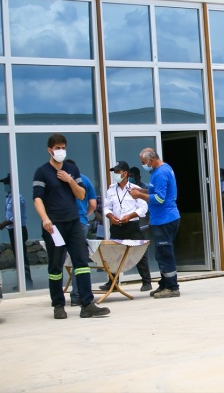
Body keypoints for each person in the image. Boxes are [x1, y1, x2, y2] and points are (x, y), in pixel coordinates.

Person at [33, 134, 110, 319]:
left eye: (63, 147)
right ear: (49, 150)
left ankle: (87, 304)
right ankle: (58, 305)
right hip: (54, 225)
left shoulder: (71, 169)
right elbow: (37, 199)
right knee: (55, 266)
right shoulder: (41, 172)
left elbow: (82, 195)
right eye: (57, 148)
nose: (60, 151)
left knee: (81, 263)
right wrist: (45, 219)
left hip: (74, 222)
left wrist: (69, 180)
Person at [130, 148, 181, 299]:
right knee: (161, 254)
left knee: (165, 254)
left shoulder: (161, 173)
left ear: (151, 160)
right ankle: (165, 283)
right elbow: (154, 193)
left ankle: (172, 286)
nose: (143, 165)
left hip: (165, 219)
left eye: (143, 162)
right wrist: (142, 191)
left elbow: (159, 198)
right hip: (161, 219)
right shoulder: (161, 170)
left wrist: (139, 195)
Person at [103, 161, 153, 291]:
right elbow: (107, 207)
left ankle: (146, 282)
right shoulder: (111, 189)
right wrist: (110, 216)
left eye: (118, 172)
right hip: (116, 225)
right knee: (113, 254)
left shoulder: (135, 189)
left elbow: (143, 208)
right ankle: (113, 282)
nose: (115, 174)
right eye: (114, 172)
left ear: (125, 173)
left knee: (139, 252)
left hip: (131, 225)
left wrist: (129, 216)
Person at [65, 159, 97, 306]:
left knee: (58, 262)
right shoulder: (85, 180)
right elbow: (93, 204)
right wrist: (85, 215)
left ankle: (58, 299)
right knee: (80, 261)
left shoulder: (58, 179)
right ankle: (77, 296)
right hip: (80, 223)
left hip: (61, 222)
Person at [0, 174, 33, 290]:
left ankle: (27, 283)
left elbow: (16, 215)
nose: (5, 186)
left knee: (22, 256)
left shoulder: (17, 197)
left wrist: (5, 223)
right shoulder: (9, 197)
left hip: (19, 230)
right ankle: (22, 282)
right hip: (12, 230)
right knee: (18, 256)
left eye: (6, 184)